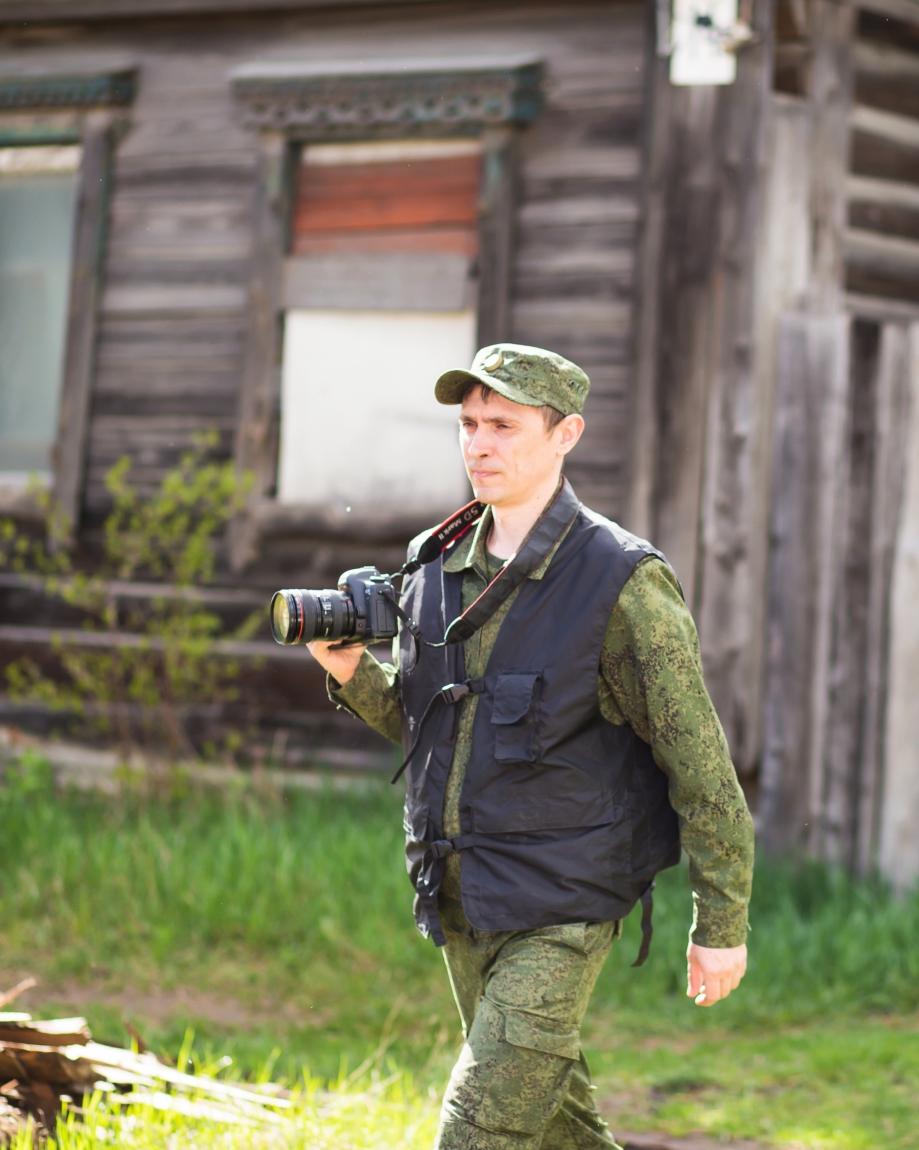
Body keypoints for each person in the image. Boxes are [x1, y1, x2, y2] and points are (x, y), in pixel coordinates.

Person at [308, 343, 753, 1150]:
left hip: (564, 904)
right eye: (469, 424)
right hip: (460, 896)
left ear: (565, 434)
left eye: (504, 426)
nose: (479, 444)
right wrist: (350, 672)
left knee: (478, 1132)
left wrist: (721, 923)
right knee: (556, 1129)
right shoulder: (434, 564)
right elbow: (431, 726)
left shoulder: (621, 581)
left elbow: (699, 763)